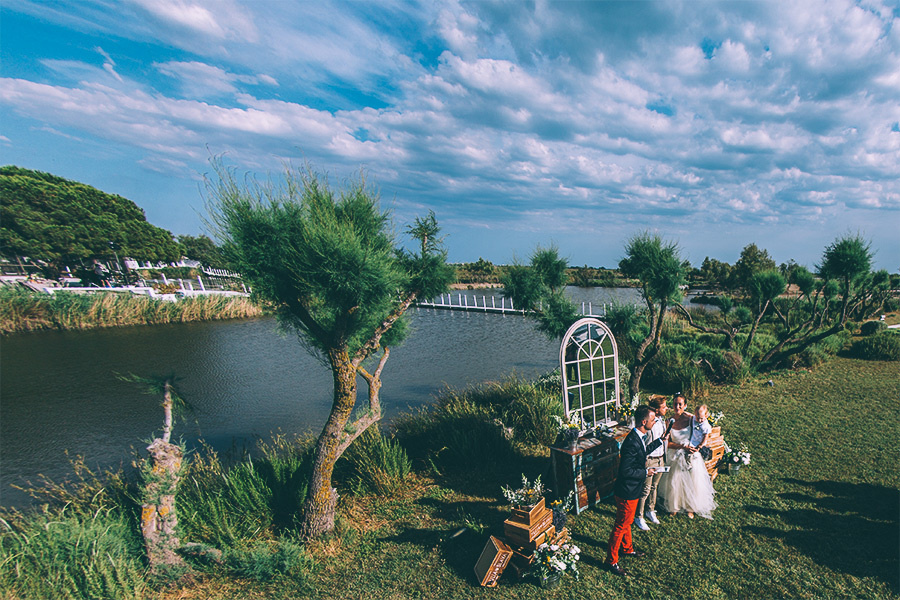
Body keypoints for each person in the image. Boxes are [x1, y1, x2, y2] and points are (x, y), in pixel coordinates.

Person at [605, 404, 671, 576]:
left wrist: (659, 440)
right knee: (621, 525)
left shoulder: (638, 436)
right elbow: (626, 471)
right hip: (627, 491)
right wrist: (645, 472)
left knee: (627, 522)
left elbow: (643, 452)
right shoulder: (631, 442)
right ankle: (611, 561)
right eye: (652, 420)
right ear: (644, 421)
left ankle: (627, 548)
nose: (655, 421)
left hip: (631, 490)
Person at [660, 394, 717, 520]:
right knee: (675, 482)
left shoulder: (692, 418)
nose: (677, 406)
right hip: (676, 454)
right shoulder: (669, 421)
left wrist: (700, 445)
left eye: (680, 404)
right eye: (675, 404)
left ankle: (690, 507)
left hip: (692, 455)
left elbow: (704, 429)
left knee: (692, 482)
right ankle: (674, 506)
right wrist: (681, 446)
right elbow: (667, 443)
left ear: (685, 405)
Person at [634, 396, 668, 530]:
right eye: (664, 407)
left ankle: (650, 510)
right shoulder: (650, 423)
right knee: (646, 489)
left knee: (654, 486)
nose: (666, 409)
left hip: (660, 458)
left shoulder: (662, 421)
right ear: (657, 409)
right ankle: (639, 515)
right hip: (650, 458)